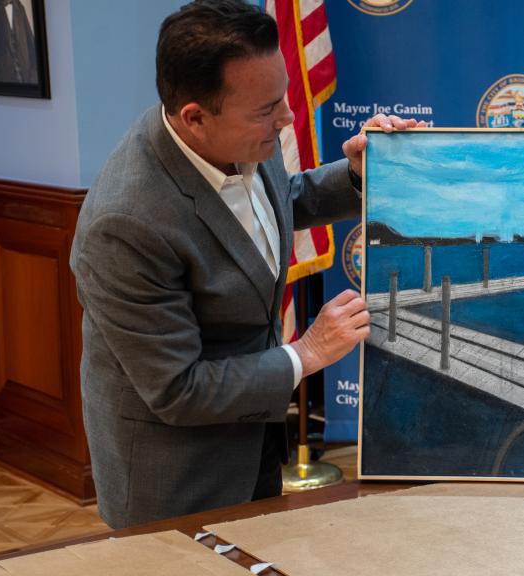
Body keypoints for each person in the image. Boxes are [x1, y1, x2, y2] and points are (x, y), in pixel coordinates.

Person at [70, 0, 419, 529]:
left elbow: (276, 202)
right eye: (267, 111)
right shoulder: (124, 225)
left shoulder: (248, 122)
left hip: (255, 439)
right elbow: (178, 389)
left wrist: (354, 176)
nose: (287, 119)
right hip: (178, 477)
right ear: (194, 117)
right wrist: (307, 353)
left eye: (281, 98)